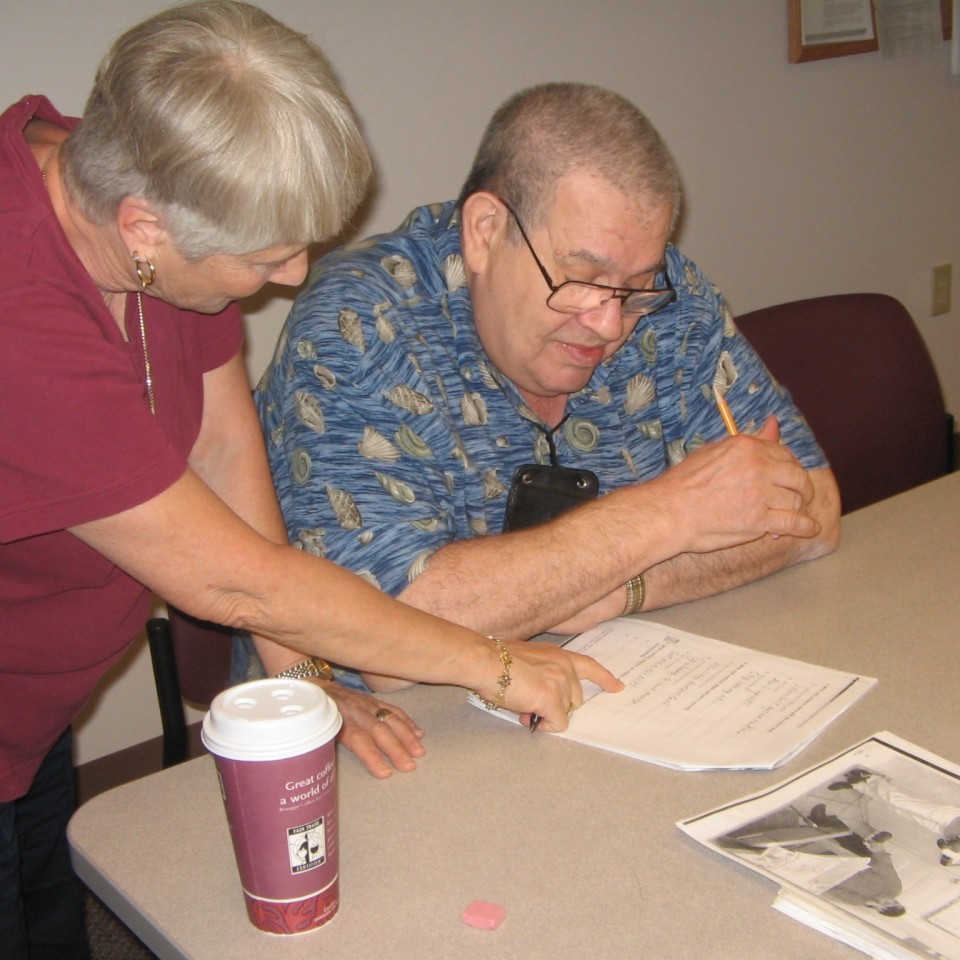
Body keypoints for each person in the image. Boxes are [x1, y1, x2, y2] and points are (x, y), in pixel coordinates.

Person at [0, 8, 620, 959]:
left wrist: (305, 682)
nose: (292, 276)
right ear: (145, 229)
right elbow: (230, 580)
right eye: (265, 258)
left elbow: (223, 452)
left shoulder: (142, 174)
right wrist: (494, 662)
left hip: (30, 709)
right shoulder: (22, 317)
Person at [255, 82, 840, 693]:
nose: (609, 325)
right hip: (375, 733)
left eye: (635, 286)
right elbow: (387, 636)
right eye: (581, 280)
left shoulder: (671, 298)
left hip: (625, 686)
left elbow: (814, 509)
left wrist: (623, 587)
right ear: (484, 231)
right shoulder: (359, 321)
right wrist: (670, 516)